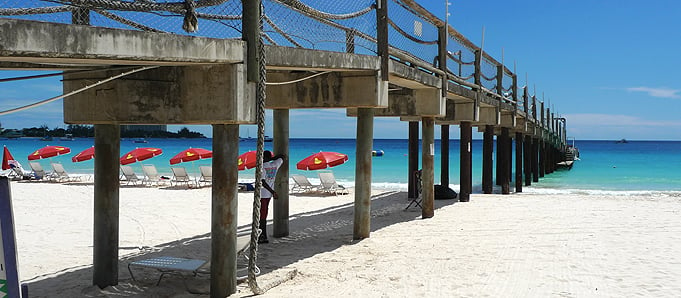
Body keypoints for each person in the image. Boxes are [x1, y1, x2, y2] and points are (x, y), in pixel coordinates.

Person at [259, 150, 286, 244]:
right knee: (264, 214)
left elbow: (262, 182)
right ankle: (263, 235)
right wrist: (272, 158)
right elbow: (283, 156)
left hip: (263, 193)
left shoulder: (262, 167)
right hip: (269, 195)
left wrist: (273, 191)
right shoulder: (275, 165)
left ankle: (263, 236)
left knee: (262, 216)